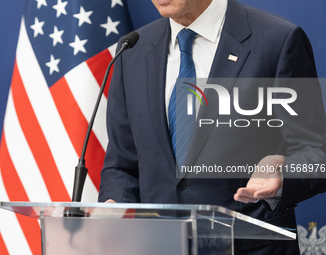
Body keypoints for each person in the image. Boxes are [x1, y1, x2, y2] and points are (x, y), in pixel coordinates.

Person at [98, 0, 326, 253]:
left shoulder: (277, 39)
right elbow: (122, 162)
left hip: (249, 247)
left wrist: (283, 171)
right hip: (157, 245)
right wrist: (115, 204)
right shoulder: (133, 48)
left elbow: (316, 152)